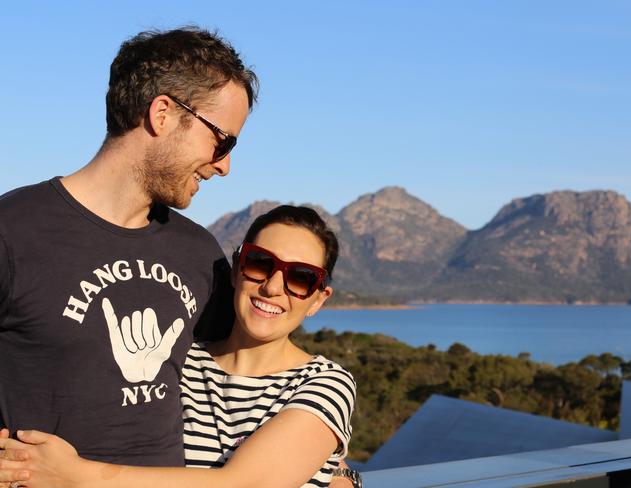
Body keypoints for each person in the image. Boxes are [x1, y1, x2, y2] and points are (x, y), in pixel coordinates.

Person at [0, 27, 257, 467]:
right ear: (163, 114)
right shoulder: (13, 231)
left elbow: (254, 364)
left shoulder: (199, 253)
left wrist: (327, 465)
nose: (225, 165)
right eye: (223, 140)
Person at [0, 205, 361, 488]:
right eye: (261, 263)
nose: (273, 287)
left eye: (301, 278)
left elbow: (241, 485)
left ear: (318, 299)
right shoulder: (179, 360)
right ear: (237, 269)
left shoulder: (325, 384)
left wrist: (73, 478)